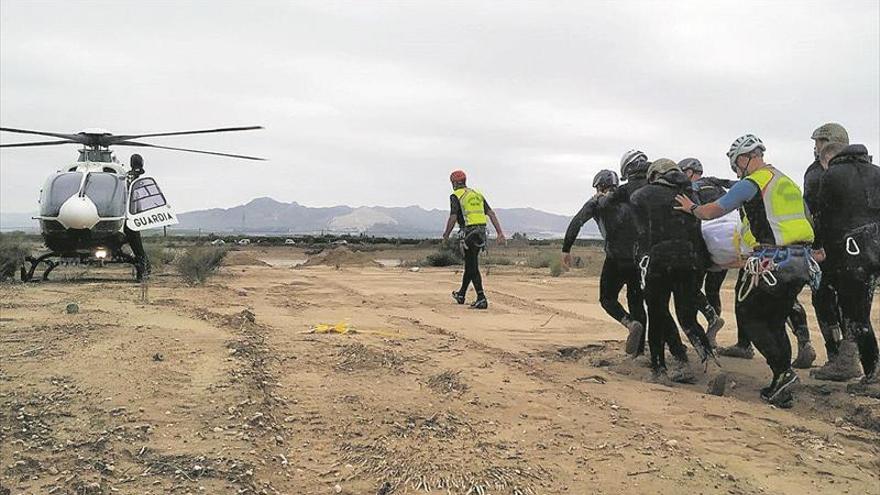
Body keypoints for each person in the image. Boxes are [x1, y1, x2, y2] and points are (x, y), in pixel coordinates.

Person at [675, 134, 816, 408]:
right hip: (800, 260)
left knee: (751, 318)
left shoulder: (753, 183)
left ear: (743, 158)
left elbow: (714, 211)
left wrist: (691, 208)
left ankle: (784, 373)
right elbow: (807, 218)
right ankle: (780, 379)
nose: (737, 172)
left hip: (771, 261)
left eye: (735, 166)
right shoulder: (785, 182)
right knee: (775, 320)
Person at [631, 159, 714, 383]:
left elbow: (640, 230)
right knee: (687, 317)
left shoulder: (643, 195)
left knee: (657, 315)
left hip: (659, 261)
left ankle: (659, 370)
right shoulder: (691, 195)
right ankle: (712, 366)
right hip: (689, 261)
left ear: (656, 174)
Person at [811, 142, 880, 388]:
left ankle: (874, 375)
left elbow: (822, 216)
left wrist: (819, 247)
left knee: (856, 315)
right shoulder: (876, 171)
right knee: (862, 310)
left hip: (851, 251)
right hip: (876, 246)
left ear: (831, 158)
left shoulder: (832, 175)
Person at [562, 169, 646, 356]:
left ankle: (629, 323)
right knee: (637, 302)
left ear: (600, 186)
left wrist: (566, 249)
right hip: (638, 259)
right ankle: (638, 353)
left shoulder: (597, 202)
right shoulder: (631, 197)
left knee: (607, 299)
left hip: (615, 259)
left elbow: (577, 222)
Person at [804, 123, 854, 377]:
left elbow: (814, 214)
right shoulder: (862, 168)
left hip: (827, 249)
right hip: (857, 249)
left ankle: (838, 357)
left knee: (824, 300)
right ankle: (850, 357)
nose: (815, 148)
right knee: (852, 303)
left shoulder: (817, 173)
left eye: (818, 142)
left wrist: (815, 246)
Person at [678, 158, 734, 344]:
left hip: (705, 244)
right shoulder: (714, 182)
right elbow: (735, 184)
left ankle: (709, 320)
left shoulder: (690, 189)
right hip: (726, 245)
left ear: (688, 173)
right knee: (713, 289)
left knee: (691, 288)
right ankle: (713, 335)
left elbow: (695, 214)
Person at [442, 169, 505, 309]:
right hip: (481, 232)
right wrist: (500, 232)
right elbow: (491, 213)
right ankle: (461, 294)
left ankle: (481, 297)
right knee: (470, 265)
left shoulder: (456, 196)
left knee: (472, 266)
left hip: (469, 232)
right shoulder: (477, 194)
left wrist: (446, 234)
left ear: (453, 183)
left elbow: (453, 217)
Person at [125, 154, 150, 281]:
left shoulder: (127, 176)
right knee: (136, 245)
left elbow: (138, 172)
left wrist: (137, 168)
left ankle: (143, 270)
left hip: (123, 220)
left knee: (136, 244)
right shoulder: (128, 176)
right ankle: (143, 269)